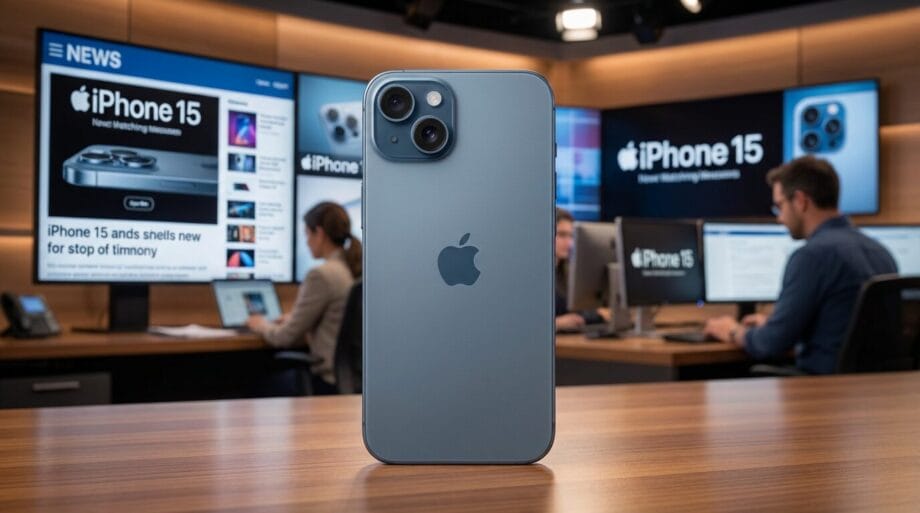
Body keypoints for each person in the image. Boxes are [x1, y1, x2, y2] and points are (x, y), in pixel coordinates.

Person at [703, 156, 897, 374]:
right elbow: (842, 326)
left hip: (823, 394)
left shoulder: (812, 256)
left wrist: (732, 330)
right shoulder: (881, 252)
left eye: (780, 206)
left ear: (800, 201)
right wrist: (775, 322)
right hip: (877, 392)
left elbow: (770, 344)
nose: (780, 218)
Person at [247, 202, 361, 393]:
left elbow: (285, 338)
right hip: (354, 380)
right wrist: (295, 318)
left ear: (320, 233)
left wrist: (261, 325)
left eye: (307, 234)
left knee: (250, 385)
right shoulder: (354, 269)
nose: (307, 241)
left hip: (327, 382)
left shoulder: (322, 275)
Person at [555, 207, 607, 332]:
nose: (569, 243)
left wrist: (597, 315)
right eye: (562, 235)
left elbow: (579, 313)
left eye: (571, 236)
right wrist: (555, 323)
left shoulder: (566, 273)